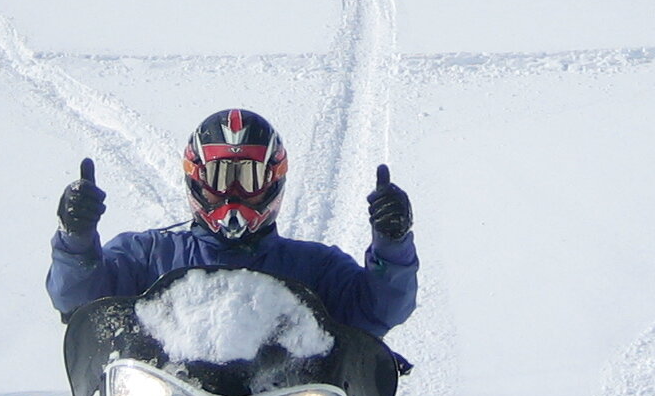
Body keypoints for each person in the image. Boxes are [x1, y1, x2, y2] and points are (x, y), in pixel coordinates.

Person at [46, 109, 418, 337]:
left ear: (274, 181)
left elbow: (381, 310)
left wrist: (392, 243)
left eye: (250, 178)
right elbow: (79, 301)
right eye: (221, 177)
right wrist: (76, 240)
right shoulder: (148, 256)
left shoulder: (316, 267)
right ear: (196, 180)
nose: (234, 194)